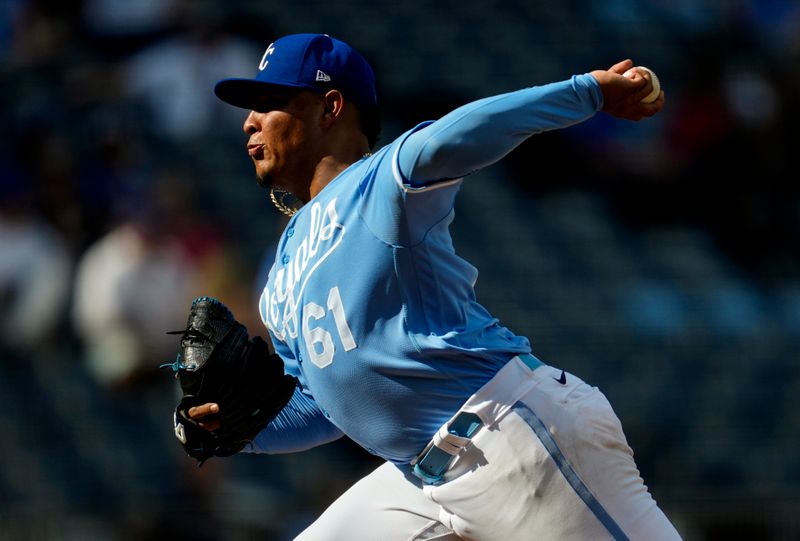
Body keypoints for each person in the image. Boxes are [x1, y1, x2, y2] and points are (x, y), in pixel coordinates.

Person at [190, 33, 680, 540]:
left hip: (508, 438)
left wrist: (588, 91)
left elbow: (464, 131)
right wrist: (239, 430)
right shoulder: (283, 265)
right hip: (413, 480)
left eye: (269, 103)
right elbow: (322, 405)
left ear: (330, 108)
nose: (249, 120)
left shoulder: (380, 179)